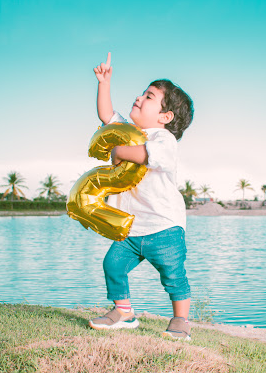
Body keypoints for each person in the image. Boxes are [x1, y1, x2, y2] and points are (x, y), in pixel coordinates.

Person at [89, 53, 194, 340]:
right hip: (131, 228)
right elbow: (107, 116)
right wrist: (104, 83)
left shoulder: (163, 139)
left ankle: (180, 320)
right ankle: (124, 312)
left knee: (173, 275)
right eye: (142, 93)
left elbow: (145, 155)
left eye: (149, 96)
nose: (139, 97)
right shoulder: (129, 132)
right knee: (113, 265)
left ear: (165, 117)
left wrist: (118, 151)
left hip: (164, 226)